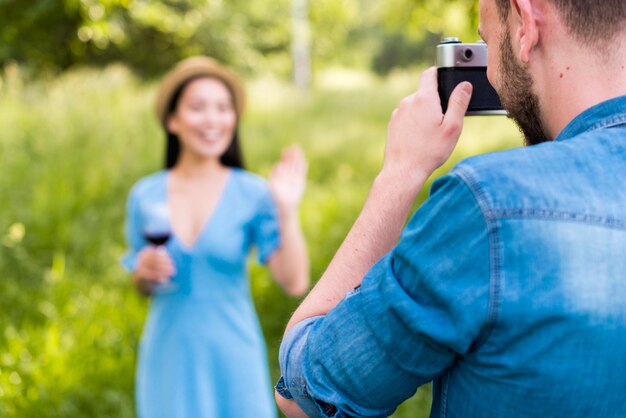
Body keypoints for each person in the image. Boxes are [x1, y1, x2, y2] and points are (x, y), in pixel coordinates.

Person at [275, 0, 626, 416]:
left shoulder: (493, 207)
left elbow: (308, 393)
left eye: (486, 43)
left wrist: (400, 173)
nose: (490, 73)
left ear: (526, 21)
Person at [121, 56, 310, 418]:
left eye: (223, 108)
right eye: (197, 107)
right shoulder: (144, 195)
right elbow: (141, 282)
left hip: (233, 356)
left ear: (234, 120)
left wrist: (287, 209)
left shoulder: (253, 192)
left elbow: (294, 280)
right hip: (168, 356)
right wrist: (142, 274)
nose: (212, 119)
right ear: (172, 120)